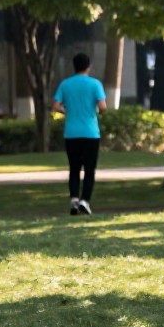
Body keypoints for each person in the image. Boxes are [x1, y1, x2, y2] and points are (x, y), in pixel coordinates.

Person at [53, 53, 107, 216]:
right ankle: (85, 200)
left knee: (74, 169)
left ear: (74, 66)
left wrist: (66, 111)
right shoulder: (95, 84)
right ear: (88, 66)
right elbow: (103, 107)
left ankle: (74, 200)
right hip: (91, 133)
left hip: (71, 133)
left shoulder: (65, 84)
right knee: (90, 170)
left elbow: (56, 105)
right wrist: (96, 111)